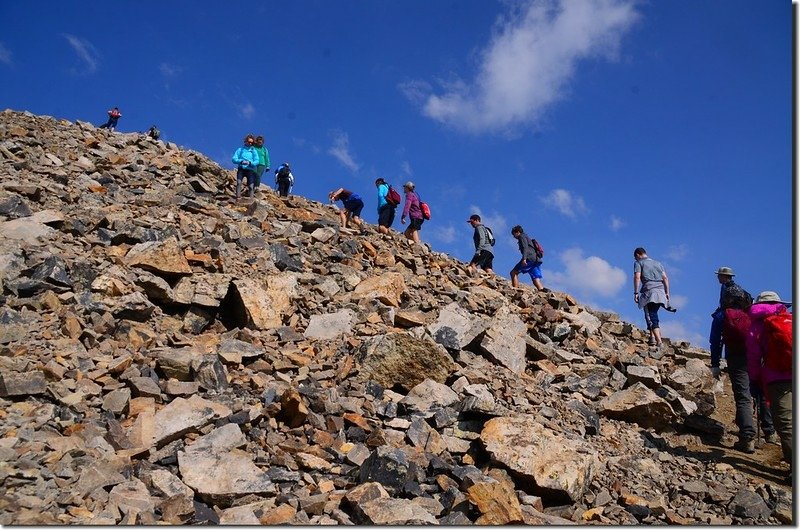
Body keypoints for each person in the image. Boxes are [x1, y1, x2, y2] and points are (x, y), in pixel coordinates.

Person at [709, 270, 774, 454]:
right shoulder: (752, 315)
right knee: (762, 393)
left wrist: (715, 364)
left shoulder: (722, 316)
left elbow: (715, 341)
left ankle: (747, 438)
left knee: (743, 397)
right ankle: (770, 432)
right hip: (757, 358)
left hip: (736, 358)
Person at [746, 291, 792, 471]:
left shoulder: (757, 326)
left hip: (777, 379)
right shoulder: (790, 319)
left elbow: (753, 358)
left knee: (786, 423)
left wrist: (755, 380)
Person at [632, 247, 675, 347]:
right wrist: (667, 292)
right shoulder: (658, 263)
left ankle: (658, 341)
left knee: (650, 315)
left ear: (638, 254)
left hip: (650, 292)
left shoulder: (638, 263)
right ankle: (652, 338)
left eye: (636, 257)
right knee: (653, 313)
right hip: (661, 292)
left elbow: (637, 277)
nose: (636, 259)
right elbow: (665, 278)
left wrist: (636, 293)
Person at [510, 225, 544, 291]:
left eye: (514, 234)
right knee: (535, 278)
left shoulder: (521, 237)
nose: (514, 236)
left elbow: (525, 248)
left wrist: (524, 259)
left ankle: (516, 291)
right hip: (535, 260)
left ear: (517, 232)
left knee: (513, 273)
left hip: (529, 258)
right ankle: (542, 291)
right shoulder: (526, 237)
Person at [231, 134, 259, 201]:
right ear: (245, 141)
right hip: (241, 169)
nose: (250, 143)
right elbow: (234, 159)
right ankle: (238, 198)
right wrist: (241, 161)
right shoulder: (240, 150)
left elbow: (257, 161)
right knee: (239, 183)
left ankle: (251, 200)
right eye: (249, 142)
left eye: (251, 142)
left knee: (251, 186)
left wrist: (250, 163)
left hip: (250, 170)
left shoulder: (253, 151)